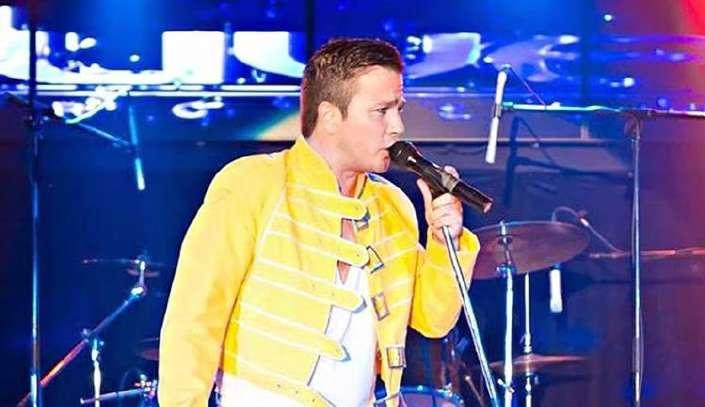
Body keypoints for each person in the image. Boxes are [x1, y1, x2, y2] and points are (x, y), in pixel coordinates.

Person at [158, 37, 480, 407]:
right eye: (381, 111)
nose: (397, 127)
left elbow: (433, 320)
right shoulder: (254, 183)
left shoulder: (392, 206)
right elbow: (194, 319)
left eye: (398, 109)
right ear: (330, 116)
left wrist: (444, 241)